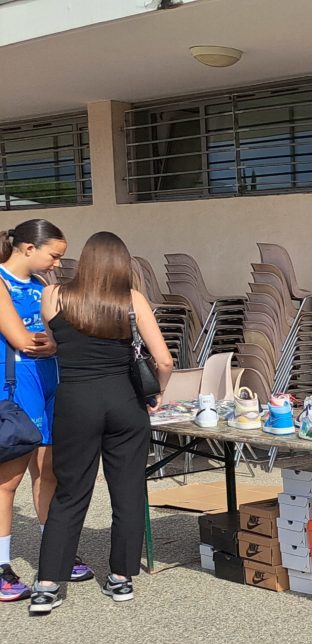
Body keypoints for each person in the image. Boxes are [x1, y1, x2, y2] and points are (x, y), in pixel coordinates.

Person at [28, 232, 172, 615]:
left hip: (76, 401)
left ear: (85, 260)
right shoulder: (131, 300)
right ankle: (121, 578)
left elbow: (58, 342)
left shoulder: (53, 295)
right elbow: (164, 360)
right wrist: (157, 393)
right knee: (128, 491)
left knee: (70, 491)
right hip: (125, 401)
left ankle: (47, 585)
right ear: (122, 264)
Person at [0, 219, 95, 603]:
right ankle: (2, 565)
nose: (57, 264)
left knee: (49, 472)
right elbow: (24, 341)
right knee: (8, 481)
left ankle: (54, 553)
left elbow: (58, 336)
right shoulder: (1, 283)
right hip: (16, 389)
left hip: (51, 386)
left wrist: (53, 343)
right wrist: (52, 343)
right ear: (28, 248)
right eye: (53, 255)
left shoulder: (41, 284)